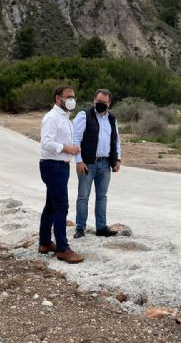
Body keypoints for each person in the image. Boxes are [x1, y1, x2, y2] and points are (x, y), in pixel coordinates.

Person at [38, 85, 84, 263]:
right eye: (68, 97)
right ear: (58, 98)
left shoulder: (65, 118)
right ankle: (63, 249)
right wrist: (67, 148)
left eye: (73, 96)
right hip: (52, 166)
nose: (72, 100)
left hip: (61, 166)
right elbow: (46, 143)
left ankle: (45, 243)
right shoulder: (52, 118)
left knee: (51, 205)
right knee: (61, 207)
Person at [73, 88, 121, 238]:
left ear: (109, 103)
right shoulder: (84, 115)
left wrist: (117, 159)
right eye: (98, 101)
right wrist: (78, 161)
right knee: (83, 197)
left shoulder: (112, 119)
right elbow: (75, 139)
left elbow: (116, 140)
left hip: (105, 164)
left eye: (104, 102)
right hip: (88, 163)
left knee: (102, 196)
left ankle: (101, 227)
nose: (100, 104)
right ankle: (80, 228)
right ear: (94, 100)